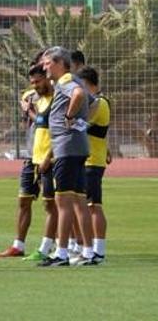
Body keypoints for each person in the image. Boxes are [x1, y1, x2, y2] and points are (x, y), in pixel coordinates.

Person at [39, 47, 98, 266]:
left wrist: (70, 117)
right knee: (80, 201)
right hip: (77, 146)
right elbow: (94, 103)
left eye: (47, 63)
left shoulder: (65, 81)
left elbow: (80, 95)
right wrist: (82, 124)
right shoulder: (73, 79)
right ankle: (89, 252)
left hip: (66, 148)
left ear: (58, 63)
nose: (44, 67)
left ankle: (61, 253)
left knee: (62, 201)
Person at [0, 64, 58, 259]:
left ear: (48, 78)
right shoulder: (32, 97)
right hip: (31, 156)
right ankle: (18, 245)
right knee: (23, 200)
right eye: (32, 83)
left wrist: (29, 111)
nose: (35, 86)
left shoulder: (57, 99)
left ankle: (48, 246)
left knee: (51, 205)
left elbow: (46, 122)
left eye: (38, 81)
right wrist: (28, 107)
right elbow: (32, 112)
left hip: (50, 158)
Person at [80, 66, 109, 261]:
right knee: (88, 205)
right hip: (89, 159)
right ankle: (88, 247)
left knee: (93, 205)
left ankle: (98, 250)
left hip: (92, 161)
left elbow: (82, 123)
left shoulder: (99, 103)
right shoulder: (95, 102)